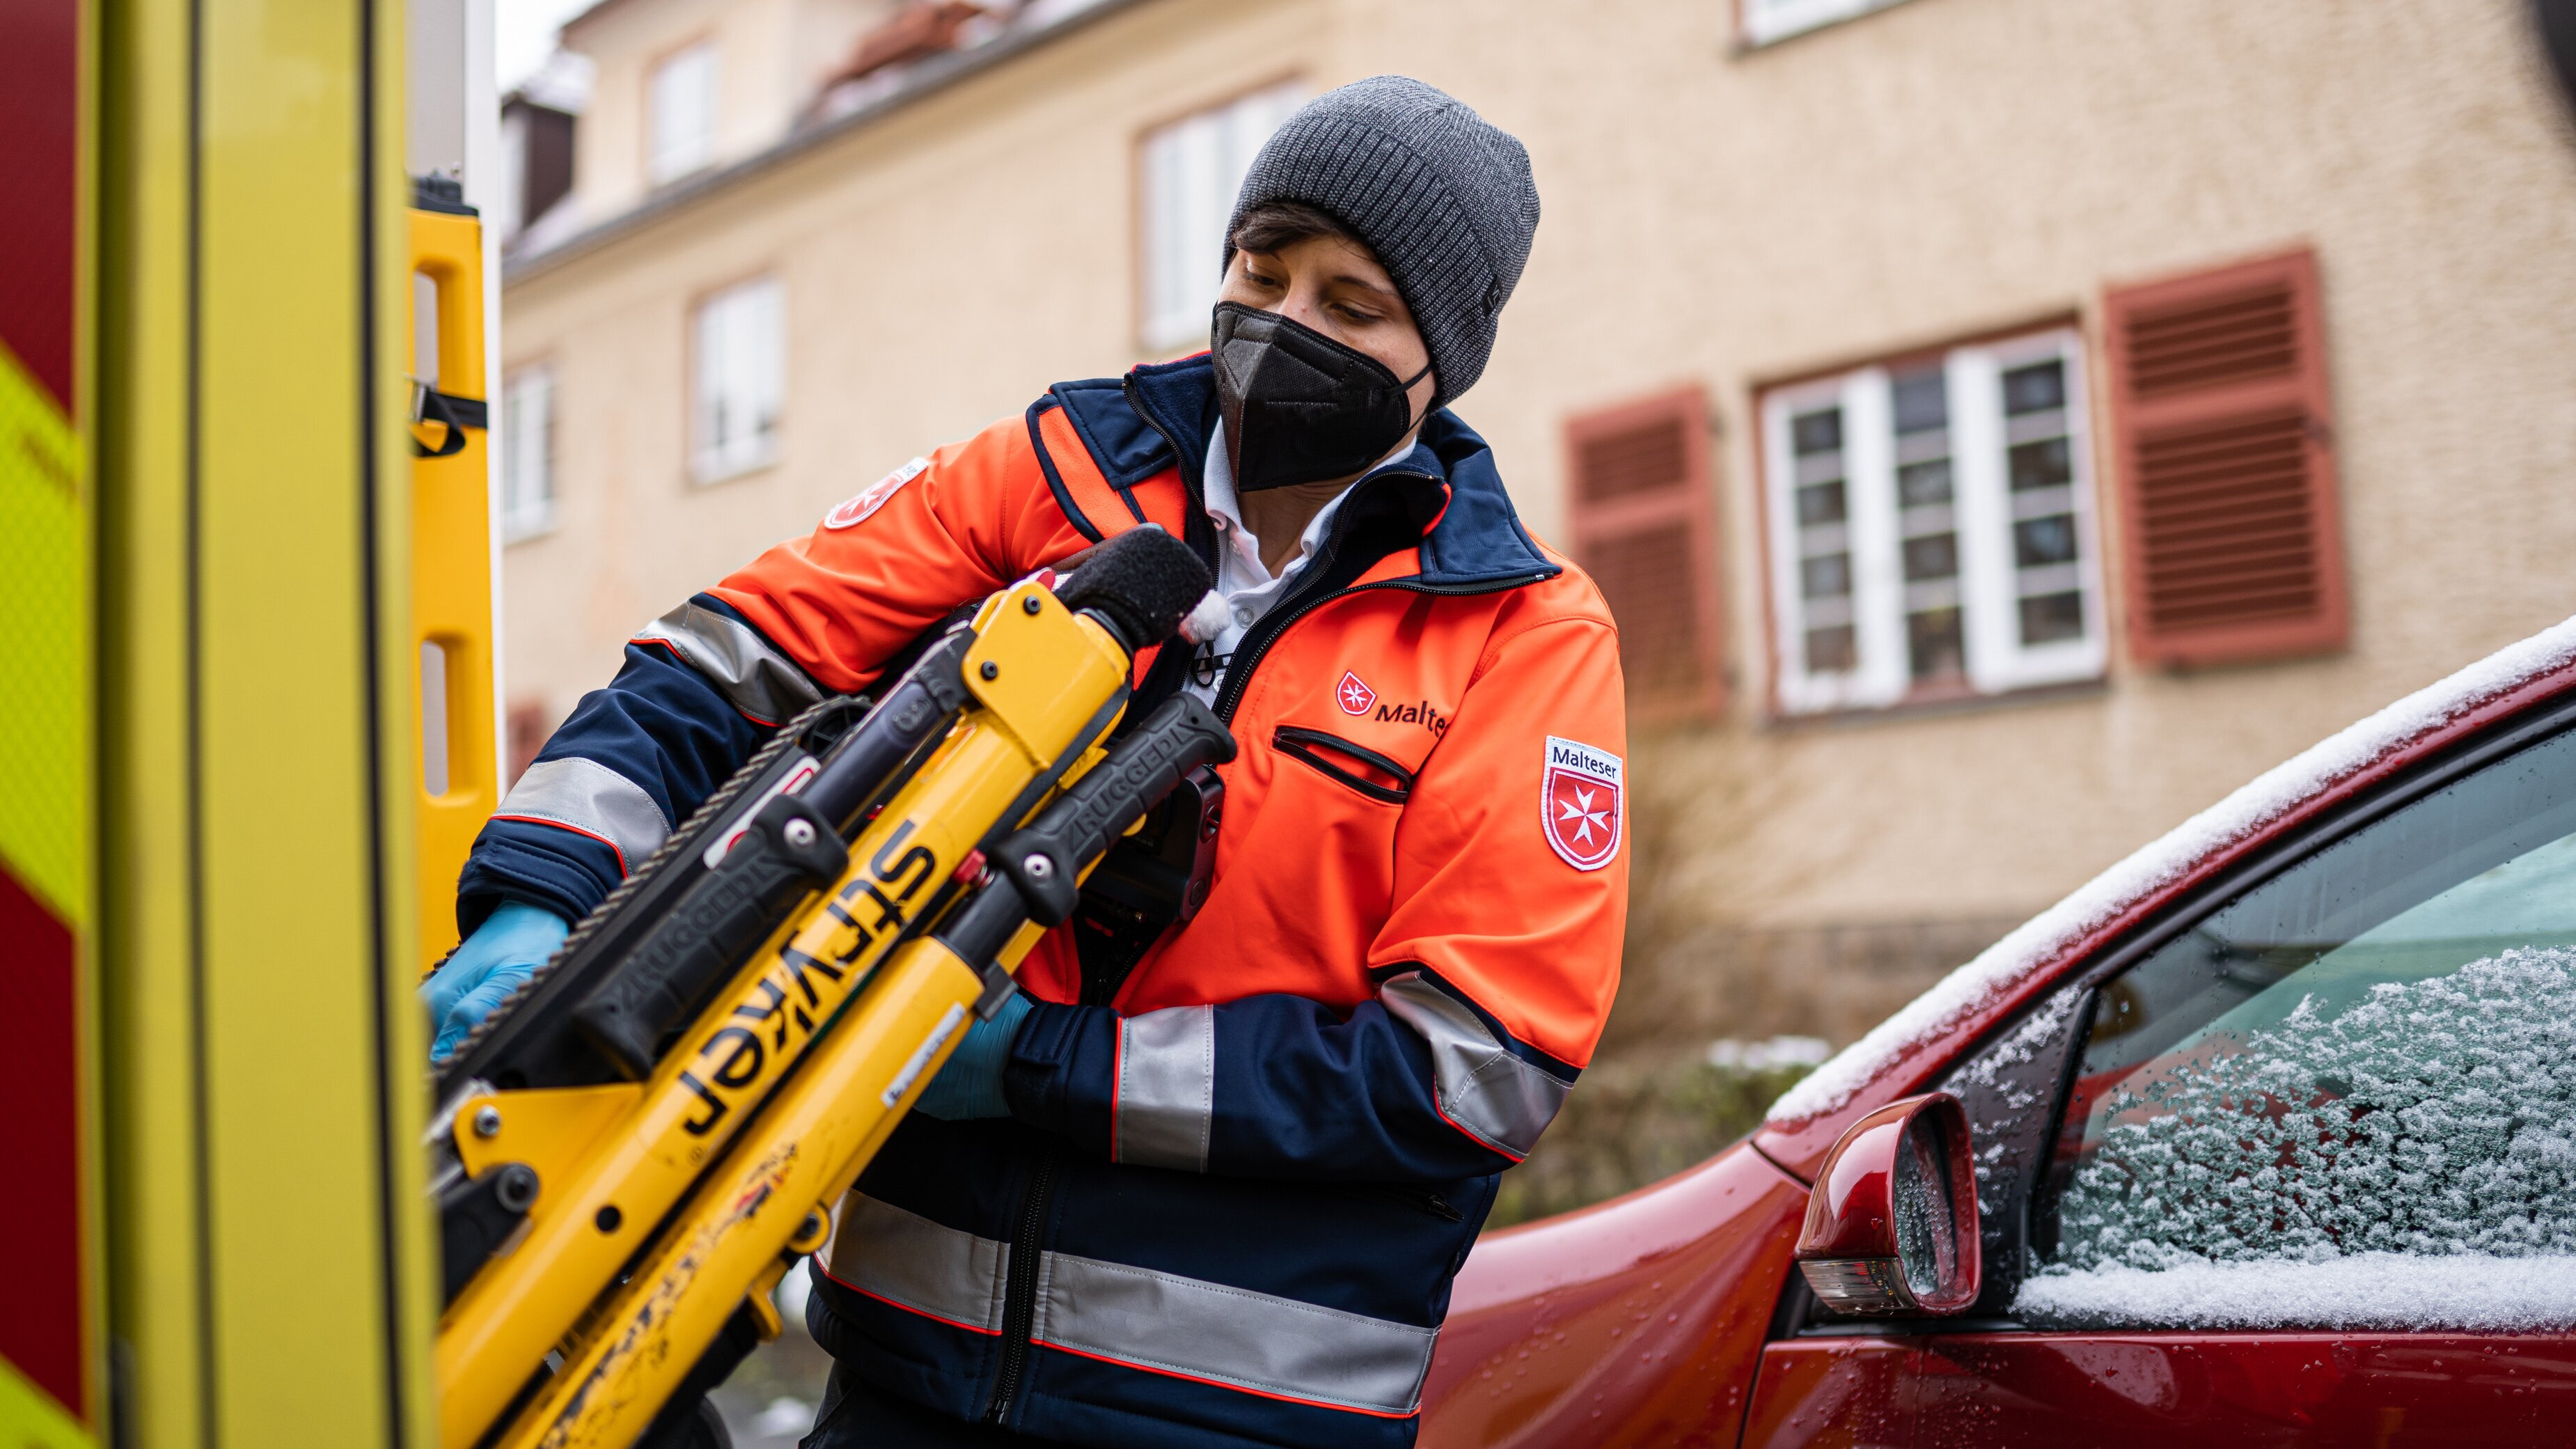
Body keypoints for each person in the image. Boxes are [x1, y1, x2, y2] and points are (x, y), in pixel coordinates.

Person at [425, 76, 1628, 1449]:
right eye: (1262, 265)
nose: (1284, 322)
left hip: (1237, 1415)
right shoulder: (1045, 475)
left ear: (1441, 359)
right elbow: (724, 658)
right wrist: (540, 890)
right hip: (897, 1377)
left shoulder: (1519, 635)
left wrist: (1039, 1062)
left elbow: (1471, 1070)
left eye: (1349, 306)